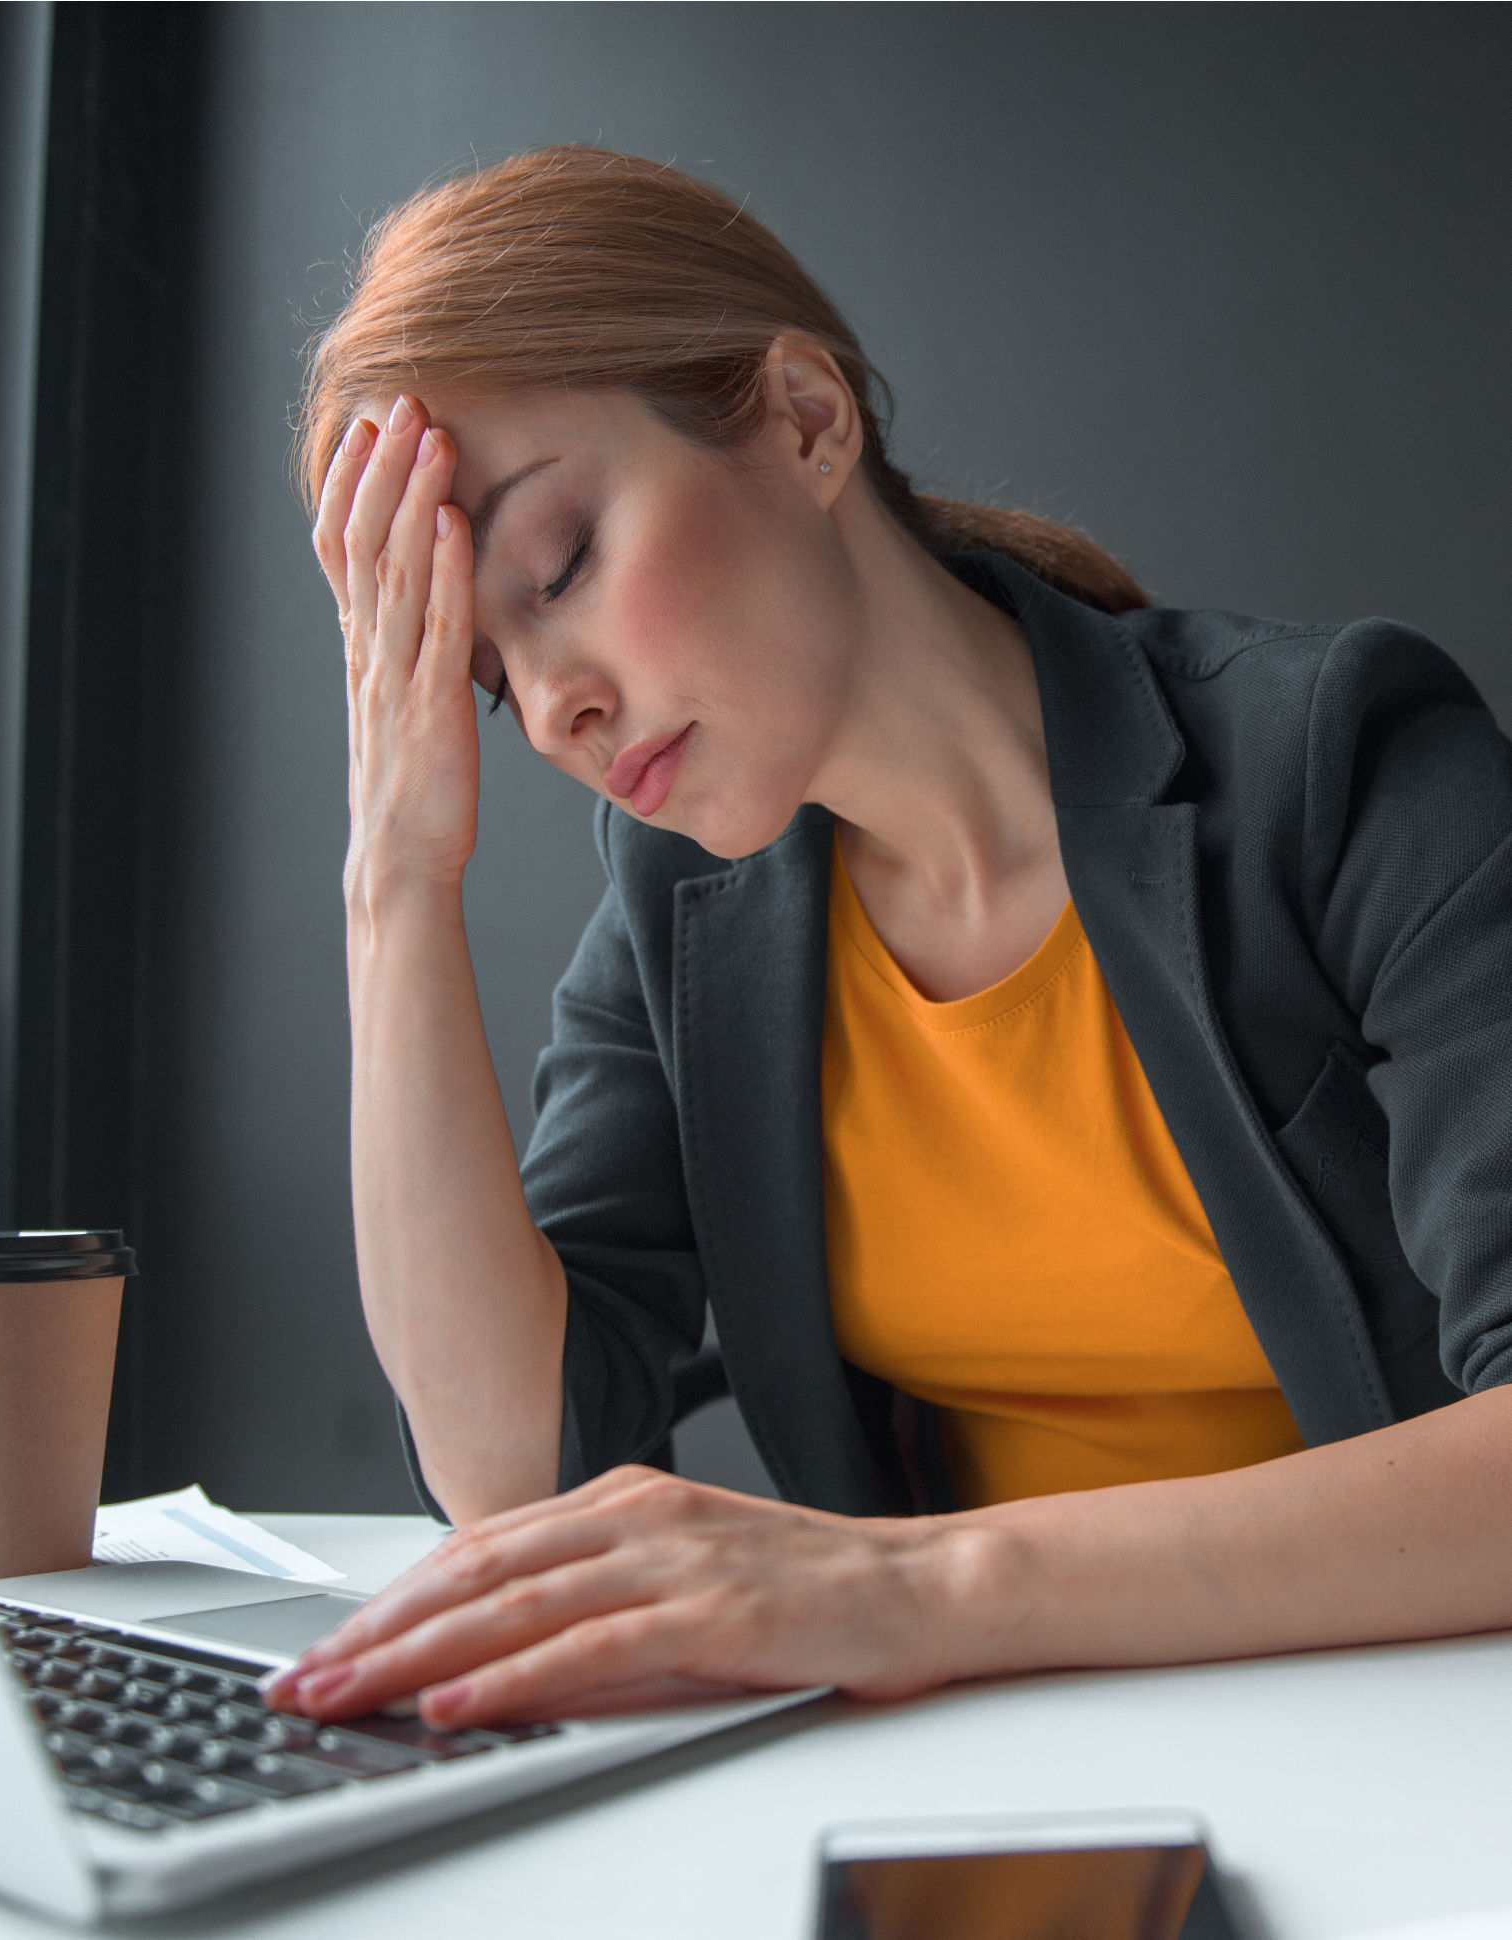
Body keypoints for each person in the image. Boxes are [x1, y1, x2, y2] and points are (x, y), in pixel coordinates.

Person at [259, 146, 1512, 1732]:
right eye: (489, 680)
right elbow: (511, 1468)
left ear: (803, 416)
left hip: (1417, 1750)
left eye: (559, 564)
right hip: (978, 1761)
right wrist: (393, 872)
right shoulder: (679, 911)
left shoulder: (1339, 760)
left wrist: (916, 1589)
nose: (556, 706)